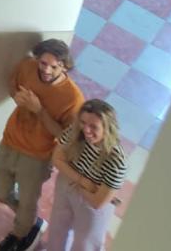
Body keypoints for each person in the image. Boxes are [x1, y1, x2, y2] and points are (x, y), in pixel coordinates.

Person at [0, 40, 85, 251]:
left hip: (37, 156)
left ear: (65, 66)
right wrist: (18, 98)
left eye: (54, 66)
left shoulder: (73, 98)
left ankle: (19, 235)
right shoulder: (27, 67)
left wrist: (38, 110)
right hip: (9, 141)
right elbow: (12, 84)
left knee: (27, 202)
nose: (47, 70)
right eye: (43, 63)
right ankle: (31, 221)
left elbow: (65, 137)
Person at [47, 100, 126, 251]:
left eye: (93, 127)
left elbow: (98, 202)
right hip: (71, 185)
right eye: (83, 122)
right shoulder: (75, 131)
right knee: (57, 228)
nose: (86, 130)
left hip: (91, 202)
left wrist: (81, 186)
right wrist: (84, 183)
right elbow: (57, 158)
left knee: (86, 244)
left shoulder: (116, 161)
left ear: (107, 128)